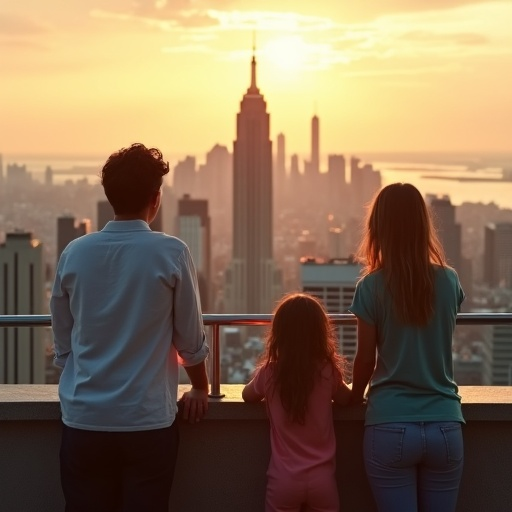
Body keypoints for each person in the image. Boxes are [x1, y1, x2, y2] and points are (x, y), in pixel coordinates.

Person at [50, 142, 210, 512]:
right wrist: (201, 387)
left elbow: (63, 341)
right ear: (156, 199)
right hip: (147, 422)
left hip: (84, 419)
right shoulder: (171, 252)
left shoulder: (75, 252)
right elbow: (189, 337)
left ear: (109, 197)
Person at [349, 183, 465, 512]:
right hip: (445, 422)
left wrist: (354, 398)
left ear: (378, 229)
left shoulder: (370, 287)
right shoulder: (450, 281)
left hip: (389, 424)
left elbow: (364, 359)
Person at [242, 293, 351, 512]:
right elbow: (346, 399)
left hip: (283, 480)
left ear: (278, 334)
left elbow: (247, 395)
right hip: (323, 480)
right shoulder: (327, 371)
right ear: (320, 333)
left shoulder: (270, 373)